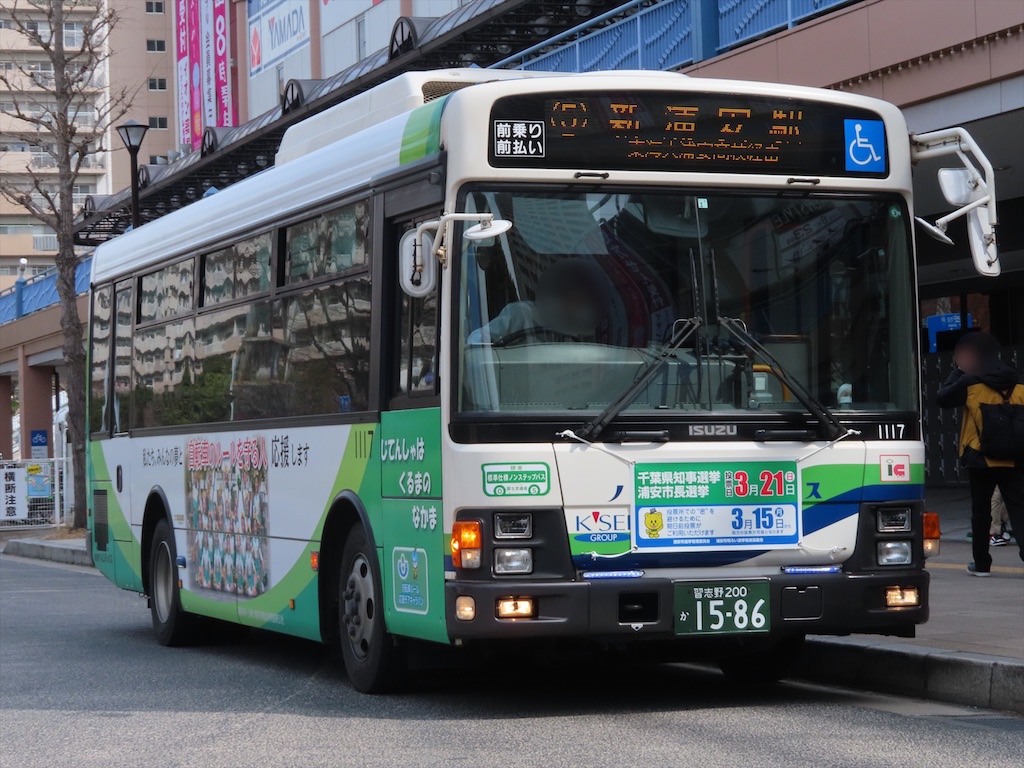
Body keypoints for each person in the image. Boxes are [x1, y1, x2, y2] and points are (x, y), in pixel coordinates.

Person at [936, 330, 1024, 575]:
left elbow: (943, 398)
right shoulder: (1018, 381)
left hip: (980, 456)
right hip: (1015, 456)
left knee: (981, 512)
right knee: (1019, 510)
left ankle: (982, 564)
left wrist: (959, 371)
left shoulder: (970, 382)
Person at [468, 258, 604, 345]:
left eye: (584, 301)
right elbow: (477, 339)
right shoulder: (522, 313)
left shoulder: (579, 330)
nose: (579, 306)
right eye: (576, 299)